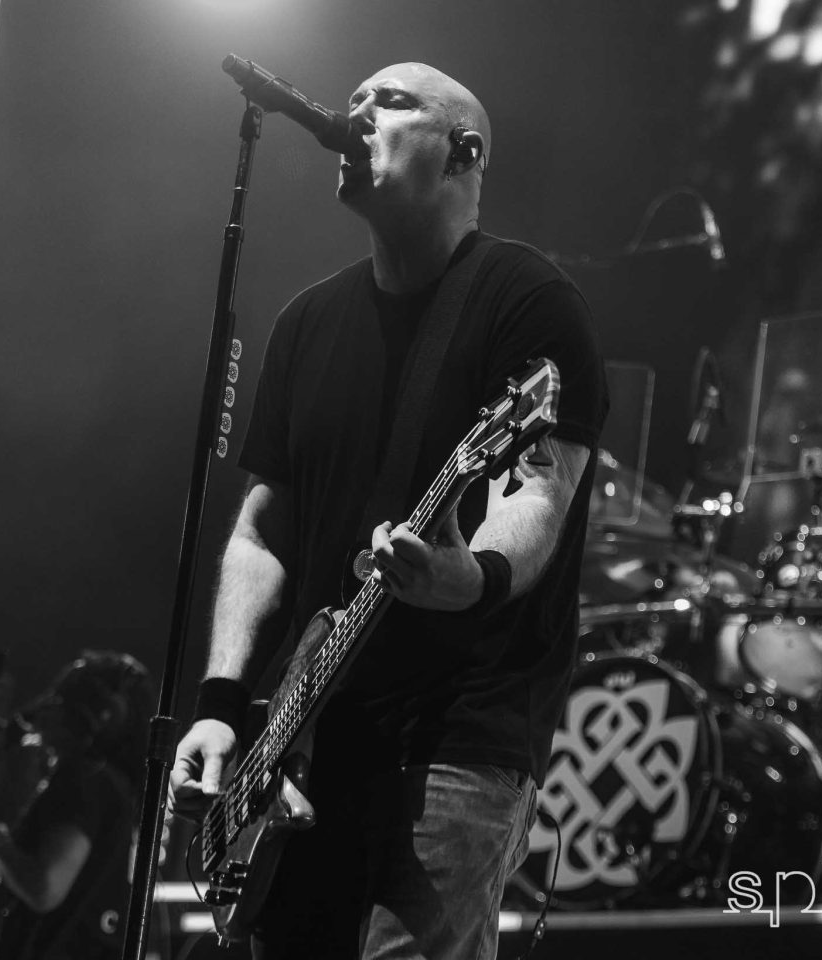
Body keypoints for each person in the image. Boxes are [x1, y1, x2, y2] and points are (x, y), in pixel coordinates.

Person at [171, 61, 608, 959]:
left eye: (392, 102)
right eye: (356, 101)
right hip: (304, 737)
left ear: (463, 152)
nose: (358, 114)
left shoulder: (528, 301)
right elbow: (262, 534)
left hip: (457, 734)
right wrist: (219, 704)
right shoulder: (306, 324)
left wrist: (471, 576)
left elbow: (539, 487)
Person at [0, 651, 153, 960]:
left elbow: (44, 891)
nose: (46, 711)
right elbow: (14, 903)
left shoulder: (85, 782)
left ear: (95, 716)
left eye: (60, 702)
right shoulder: (106, 785)